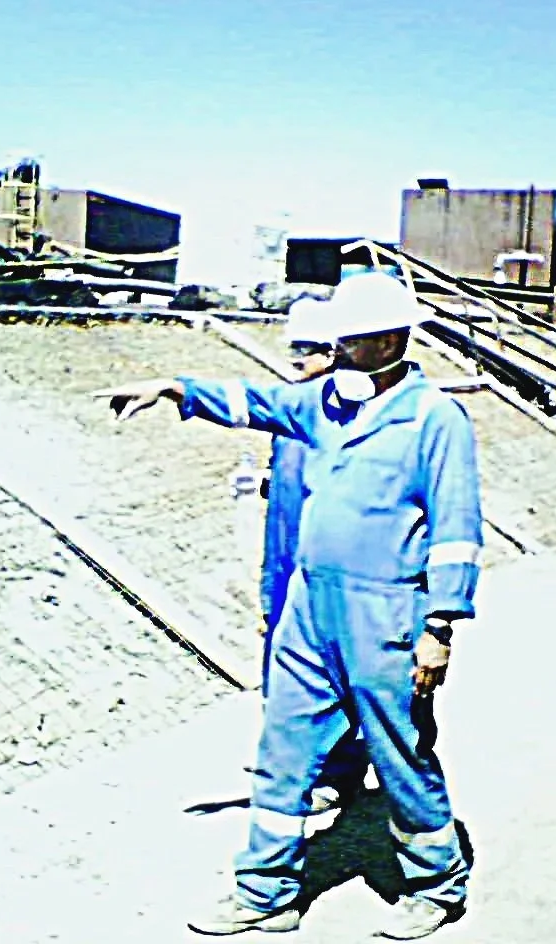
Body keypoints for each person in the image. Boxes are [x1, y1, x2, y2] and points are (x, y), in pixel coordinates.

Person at [94, 272, 483, 940]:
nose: (337, 354)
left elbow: (456, 531)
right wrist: (176, 389)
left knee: (400, 752)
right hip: (310, 609)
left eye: (350, 342)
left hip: (386, 613)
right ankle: (265, 892)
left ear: (391, 340)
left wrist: (440, 626)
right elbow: (255, 402)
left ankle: (435, 883)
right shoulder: (324, 404)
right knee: (284, 747)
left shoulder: (435, 420)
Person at [260, 298, 368, 816]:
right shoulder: (291, 411)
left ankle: (338, 770)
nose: (296, 359)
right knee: (285, 662)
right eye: (294, 348)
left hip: (332, 566)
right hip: (284, 556)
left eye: (306, 349)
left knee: (334, 664)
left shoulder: (353, 414)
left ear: (333, 353)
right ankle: (298, 764)